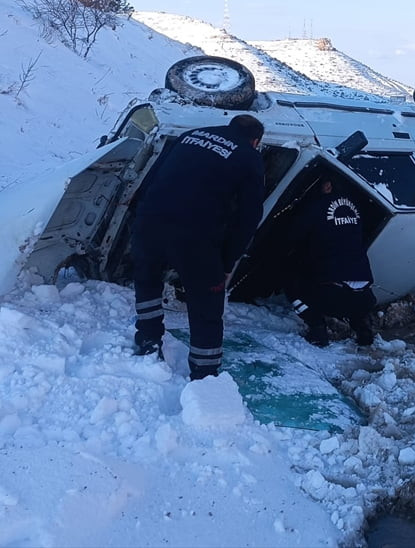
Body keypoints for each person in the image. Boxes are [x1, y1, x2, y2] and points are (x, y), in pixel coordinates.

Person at [128, 113, 265, 380]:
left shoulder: (190, 136)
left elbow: (151, 177)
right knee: (206, 303)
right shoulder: (249, 157)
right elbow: (248, 217)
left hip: (150, 221)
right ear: (256, 140)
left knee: (147, 282)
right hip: (195, 236)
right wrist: (227, 263)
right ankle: (204, 372)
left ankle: (148, 340)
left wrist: (140, 216)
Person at [287, 177, 377, 347]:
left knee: (291, 282)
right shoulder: (356, 206)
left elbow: (293, 236)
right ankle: (361, 326)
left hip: (334, 295)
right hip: (366, 296)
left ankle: (317, 328)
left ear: (328, 185)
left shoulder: (316, 206)